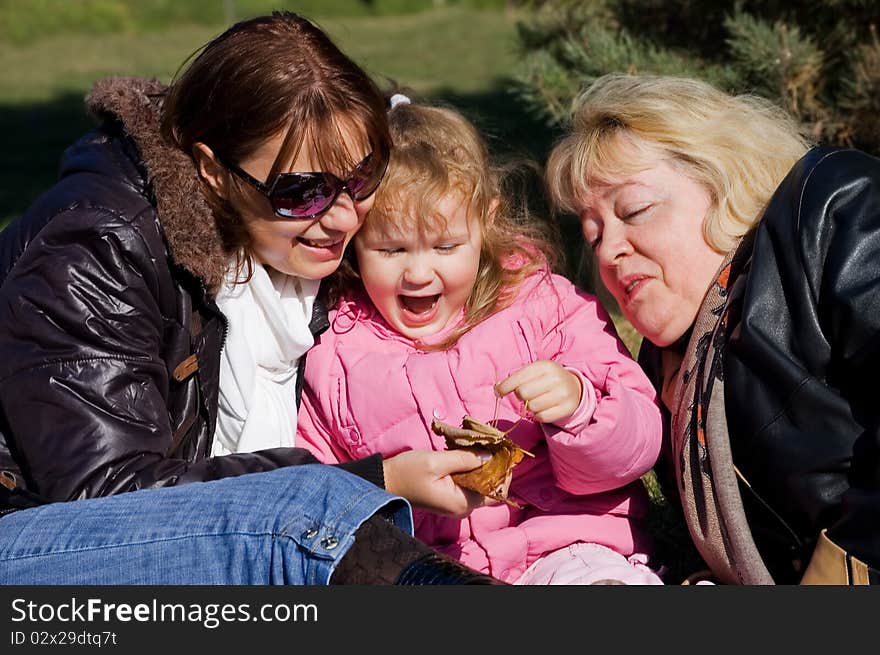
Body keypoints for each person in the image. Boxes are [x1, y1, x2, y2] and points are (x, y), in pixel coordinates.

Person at [0, 12, 501, 585]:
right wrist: (367, 481)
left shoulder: (298, 241)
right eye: (301, 191)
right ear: (213, 171)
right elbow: (110, 500)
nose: (342, 216)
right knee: (300, 516)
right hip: (37, 547)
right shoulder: (99, 247)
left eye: (362, 176)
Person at [296, 96, 665, 585]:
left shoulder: (543, 306)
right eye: (391, 249)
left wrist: (580, 408)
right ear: (355, 242)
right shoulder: (337, 355)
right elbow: (316, 494)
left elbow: (637, 447)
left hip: (564, 543)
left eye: (446, 246)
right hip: (431, 567)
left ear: (485, 221)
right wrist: (389, 491)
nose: (419, 272)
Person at [546, 72, 880, 585]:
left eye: (634, 210)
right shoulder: (662, 384)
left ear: (722, 181)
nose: (610, 252)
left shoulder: (830, 212)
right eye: (593, 237)